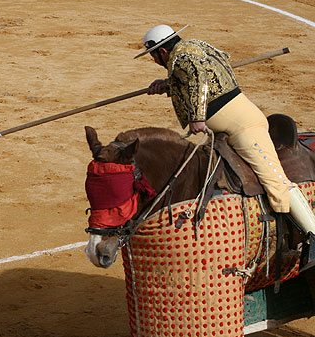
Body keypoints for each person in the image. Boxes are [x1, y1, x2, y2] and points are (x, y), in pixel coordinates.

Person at [135, 24, 315, 260]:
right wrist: (170, 84)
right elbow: (208, 77)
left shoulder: (182, 57)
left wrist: (197, 117)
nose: (154, 60)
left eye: (153, 56)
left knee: (276, 181)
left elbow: (200, 80)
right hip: (234, 125)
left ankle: (314, 235)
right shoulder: (194, 47)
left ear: (162, 52)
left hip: (244, 128)